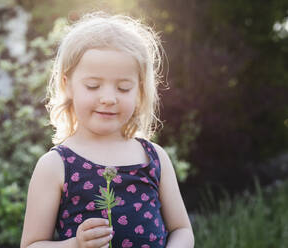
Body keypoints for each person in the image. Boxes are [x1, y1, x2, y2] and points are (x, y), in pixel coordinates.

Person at [20, 11, 194, 248]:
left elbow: (182, 230)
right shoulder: (55, 166)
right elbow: (31, 245)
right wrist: (75, 245)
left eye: (123, 88)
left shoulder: (154, 158)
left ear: (139, 91)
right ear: (66, 84)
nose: (109, 98)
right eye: (93, 86)